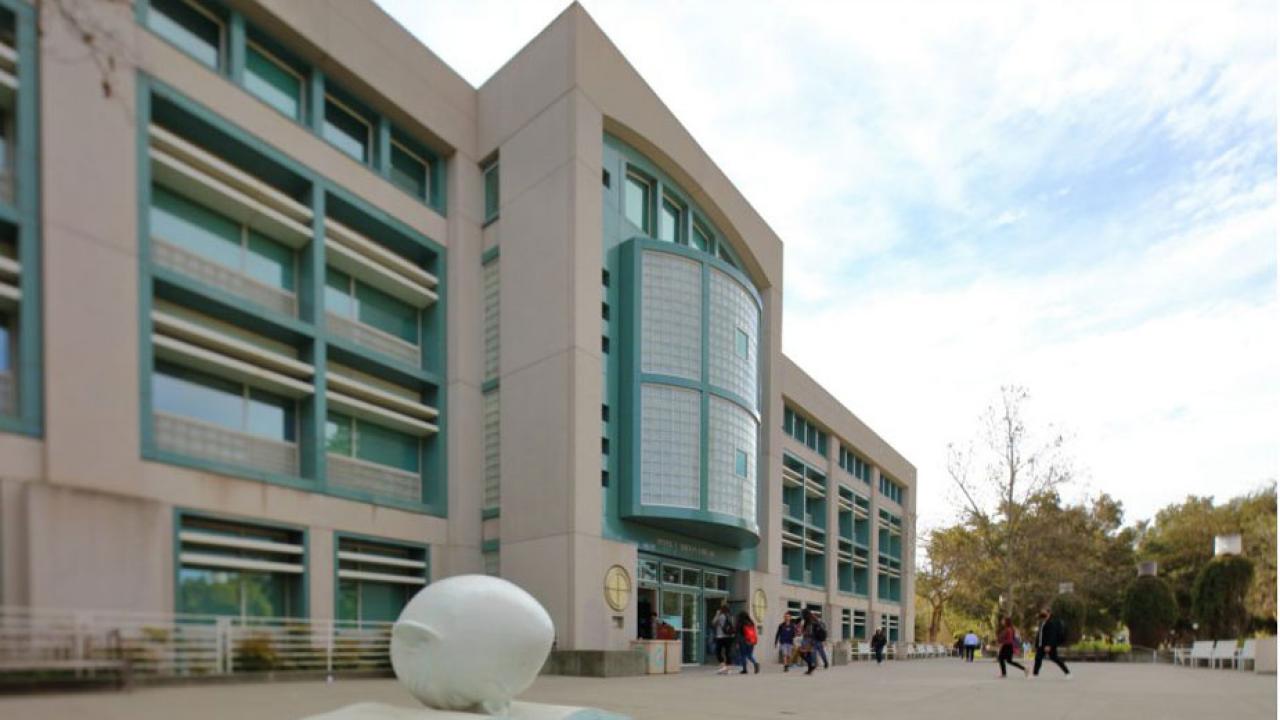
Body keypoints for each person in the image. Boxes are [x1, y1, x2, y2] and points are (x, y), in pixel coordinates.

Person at [1033, 607, 1071, 678]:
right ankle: (1035, 674)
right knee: (1038, 658)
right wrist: (1037, 644)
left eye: (1044, 612)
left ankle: (1068, 673)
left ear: (1049, 613)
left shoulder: (1052, 622)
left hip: (1049, 645)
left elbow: (1052, 635)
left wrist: (1049, 645)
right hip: (1041, 645)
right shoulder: (1042, 622)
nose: (1042, 613)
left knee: (1055, 659)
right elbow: (1040, 634)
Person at [711, 605, 735, 675]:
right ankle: (728, 669)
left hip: (721, 636)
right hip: (729, 636)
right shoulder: (731, 616)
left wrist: (717, 614)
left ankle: (723, 666)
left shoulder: (721, 616)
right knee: (728, 653)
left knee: (718, 652)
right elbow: (733, 626)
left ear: (721, 610)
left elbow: (713, 622)